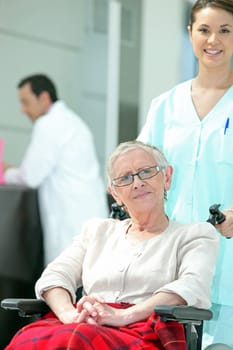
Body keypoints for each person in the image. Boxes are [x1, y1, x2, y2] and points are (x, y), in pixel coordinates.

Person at [5, 140, 219, 350]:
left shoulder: (195, 235)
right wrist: (68, 314)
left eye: (146, 171)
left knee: (77, 339)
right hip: (84, 324)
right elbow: (54, 276)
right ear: (115, 192)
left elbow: (192, 286)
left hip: (146, 329)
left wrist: (122, 316)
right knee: (31, 338)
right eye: (125, 178)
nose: (137, 183)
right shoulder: (97, 231)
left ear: (167, 177)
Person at [138, 0, 233, 347]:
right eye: (205, 30)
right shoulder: (165, 106)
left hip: (229, 272)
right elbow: (140, 173)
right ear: (190, 33)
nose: (214, 40)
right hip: (169, 269)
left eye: (225, 30)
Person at [3, 74, 108, 265]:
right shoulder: (72, 121)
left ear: (43, 98)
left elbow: (30, 177)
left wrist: (4, 171)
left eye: (26, 102)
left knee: (65, 282)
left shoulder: (49, 124)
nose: (23, 110)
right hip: (88, 216)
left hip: (71, 223)